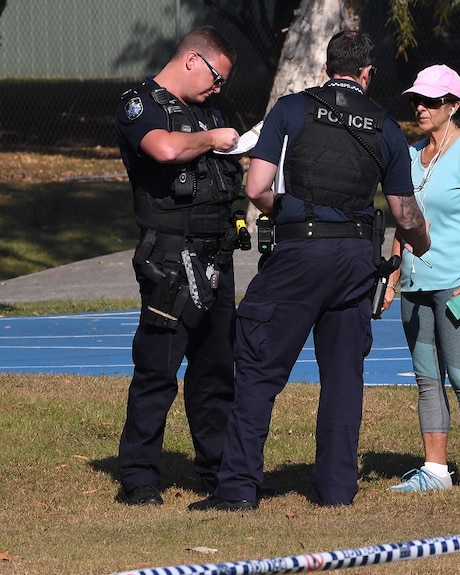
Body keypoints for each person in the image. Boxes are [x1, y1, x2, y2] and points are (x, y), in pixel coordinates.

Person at [188, 30, 431, 511]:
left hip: (299, 255)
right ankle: (338, 490)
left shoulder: (293, 108)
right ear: (367, 73)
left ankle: (237, 489)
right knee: (343, 377)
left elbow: (257, 188)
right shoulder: (385, 127)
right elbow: (405, 214)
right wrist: (420, 242)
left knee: (258, 370)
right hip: (357, 261)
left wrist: (291, 209)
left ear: (327, 67)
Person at [114, 26, 247, 506]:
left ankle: (218, 473)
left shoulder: (207, 111)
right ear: (192, 59)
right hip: (169, 257)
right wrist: (213, 138)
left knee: (216, 370)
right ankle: (139, 478)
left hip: (216, 254)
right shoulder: (140, 103)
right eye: (215, 77)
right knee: (158, 368)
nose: (218, 89)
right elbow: (164, 149)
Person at [382, 64, 460, 493]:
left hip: (456, 284)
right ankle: (434, 471)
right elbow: (404, 221)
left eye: (432, 101)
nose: (421, 107)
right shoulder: (411, 155)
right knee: (426, 378)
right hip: (415, 285)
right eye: (417, 99)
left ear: (454, 106)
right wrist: (392, 279)